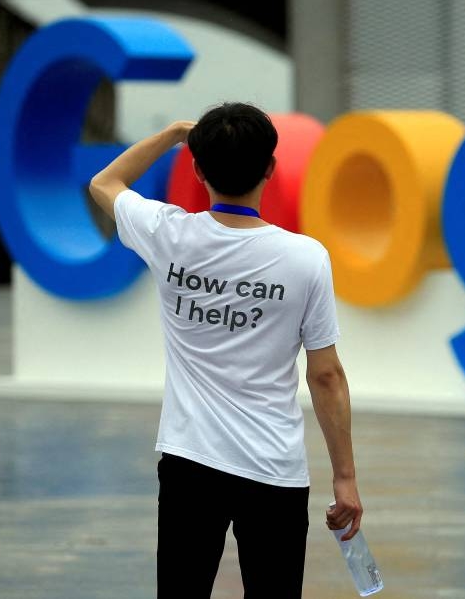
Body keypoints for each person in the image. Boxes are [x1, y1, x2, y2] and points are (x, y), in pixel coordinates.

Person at [88, 102, 363, 598]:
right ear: (270, 168)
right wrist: (344, 477)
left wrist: (174, 132)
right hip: (273, 468)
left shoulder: (169, 234)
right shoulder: (305, 259)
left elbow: (104, 183)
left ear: (197, 171)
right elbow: (326, 376)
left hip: (189, 463)